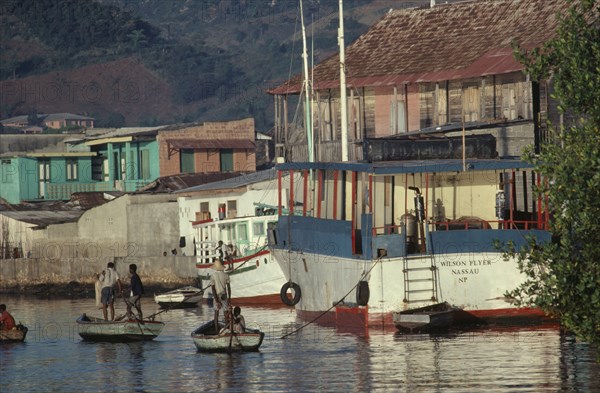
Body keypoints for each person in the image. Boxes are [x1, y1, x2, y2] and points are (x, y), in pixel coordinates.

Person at [210, 259, 231, 334]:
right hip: (224, 296)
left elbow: (213, 289)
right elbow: (228, 288)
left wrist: (216, 300)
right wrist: (229, 298)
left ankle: (216, 331)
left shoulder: (213, 276)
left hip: (217, 296)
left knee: (216, 314)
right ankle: (227, 330)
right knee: (226, 314)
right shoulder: (226, 275)